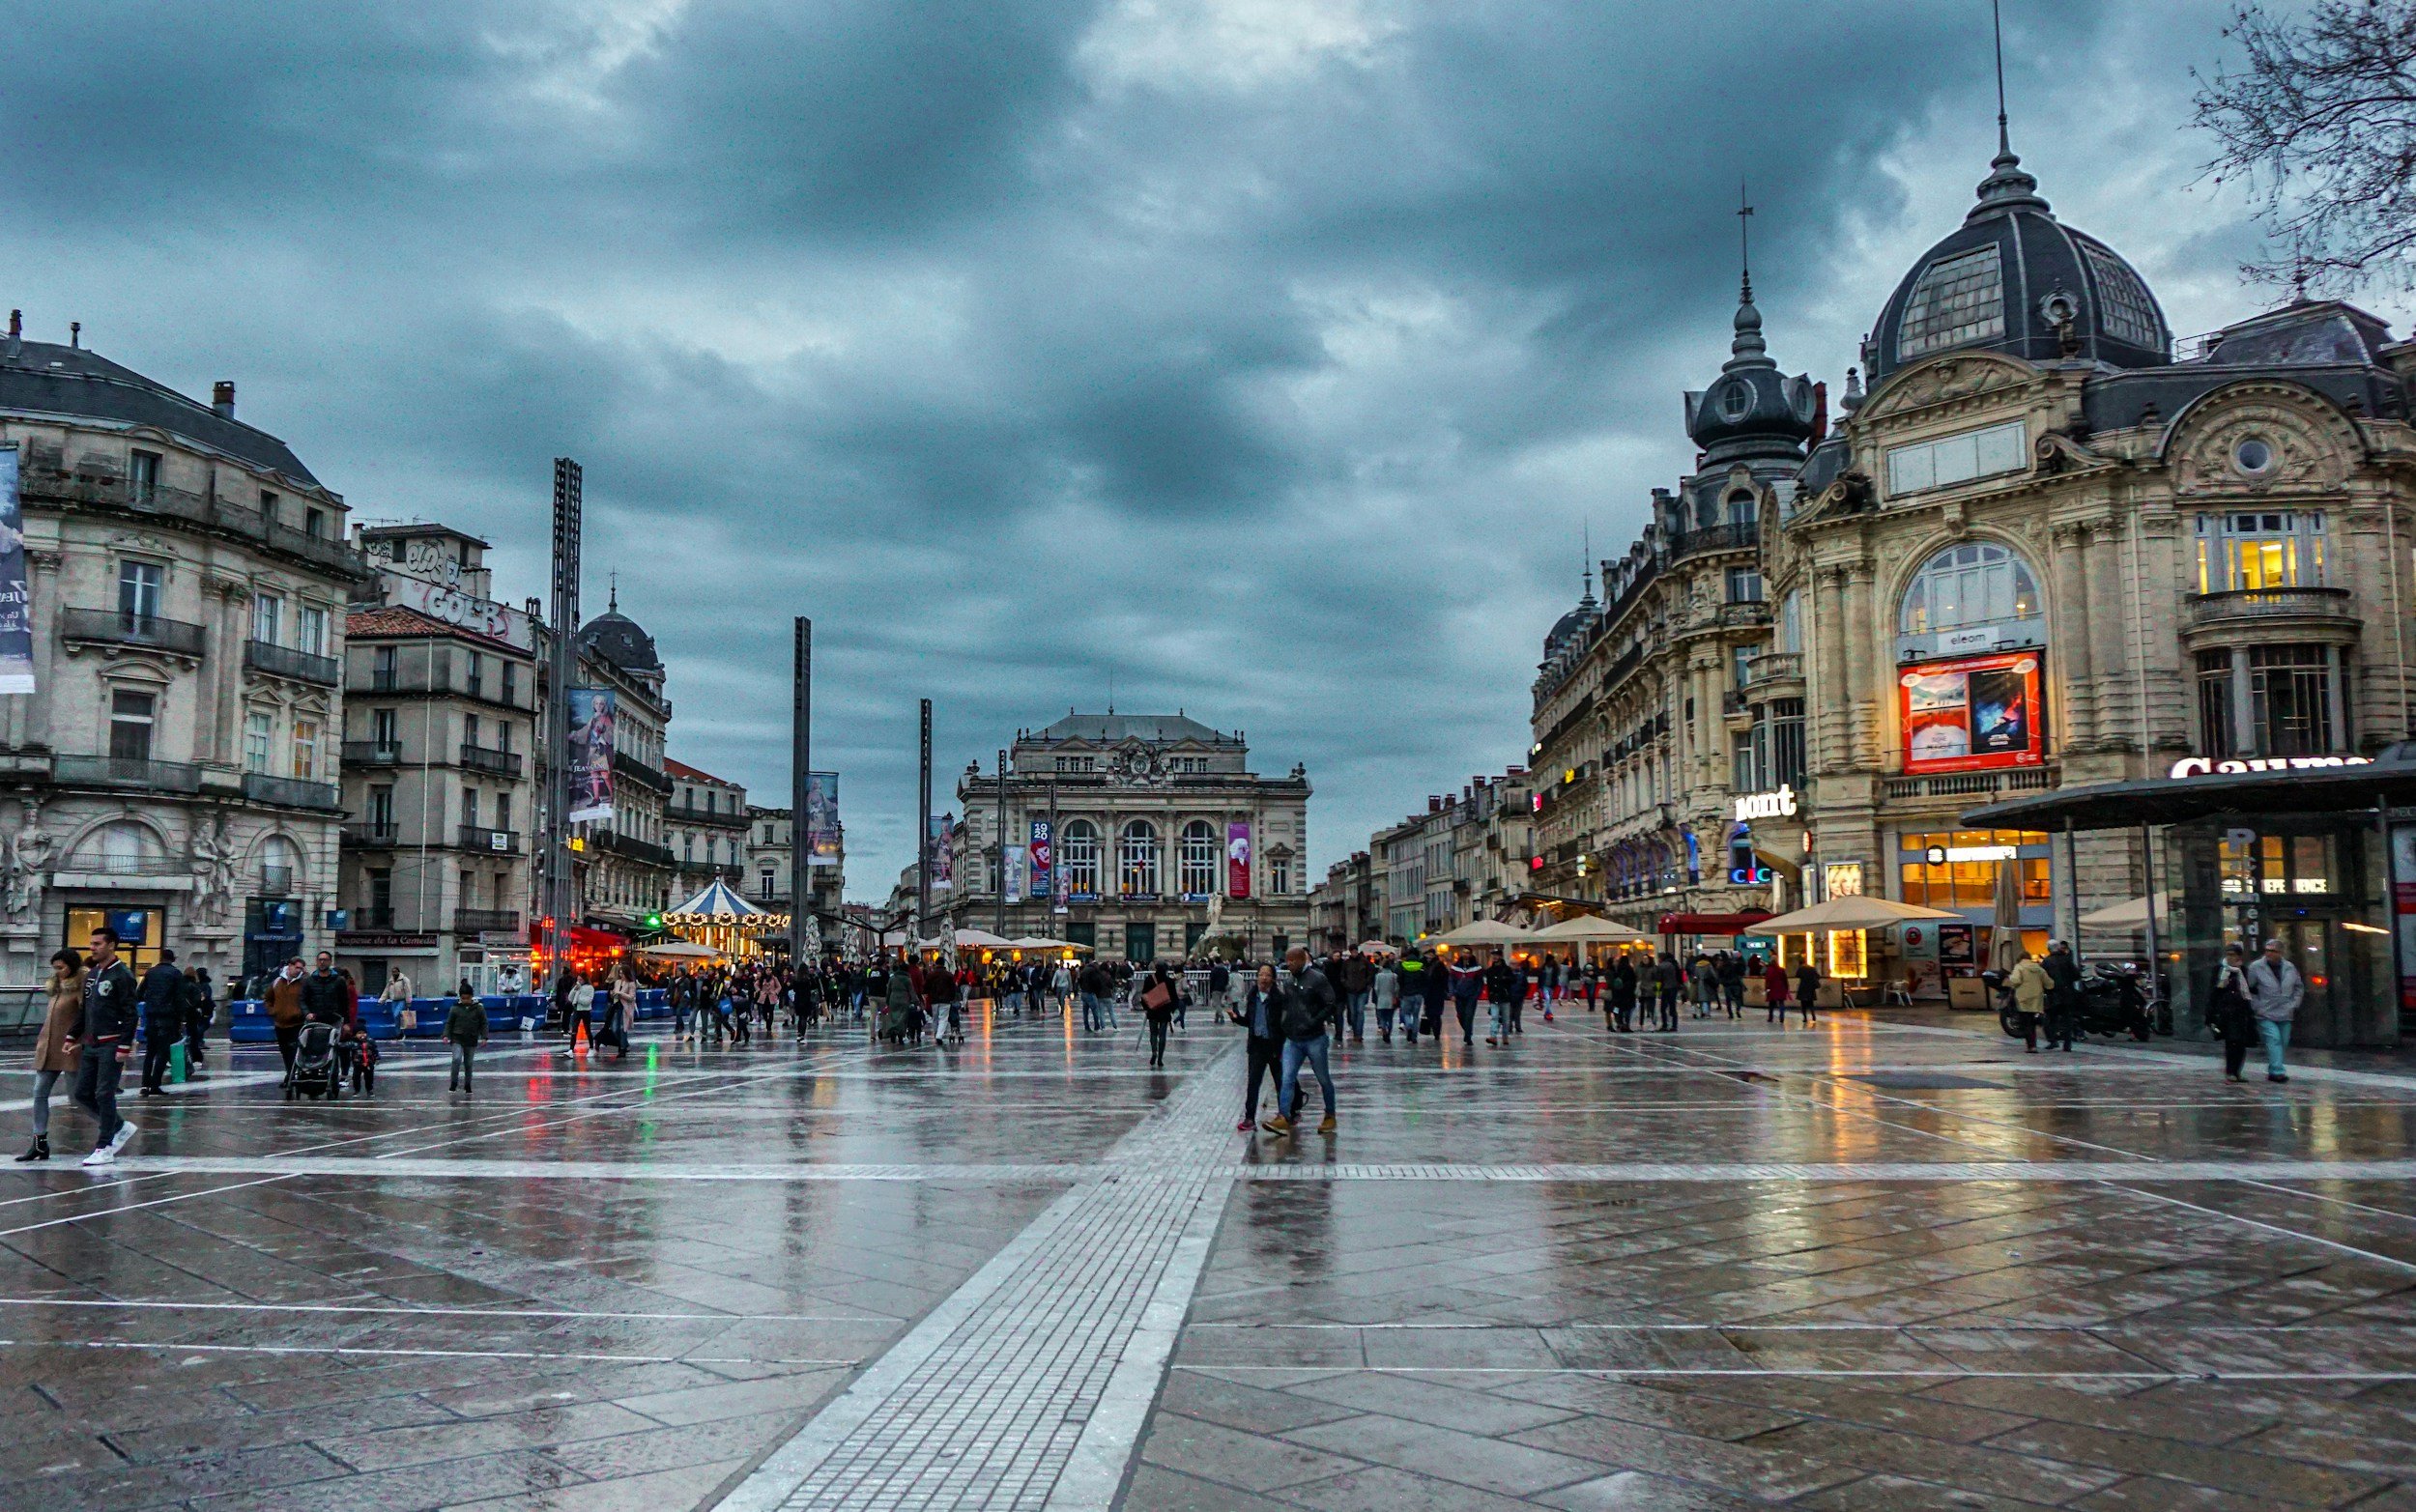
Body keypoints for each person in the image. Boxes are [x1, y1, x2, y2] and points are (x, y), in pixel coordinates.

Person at [69, 926, 139, 1166]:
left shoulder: (123, 975)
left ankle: (104, 1146)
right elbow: (85, 1008)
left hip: (111, 1042)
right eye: (92, 943)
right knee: (81, 1093)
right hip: (91, 1042)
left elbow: (131, 1013)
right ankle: (119, 1125)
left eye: (98, 943)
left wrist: (124, 1044)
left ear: (111, 945)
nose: (93, 947)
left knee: (104, 1093)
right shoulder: (91, 975)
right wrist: (72, 1035)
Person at [16, 949, 84, 1162]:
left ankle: (113, 1130)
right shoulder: (55, 987)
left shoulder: (80, 986)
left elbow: (87, 1016)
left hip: (70, 1047)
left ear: (72, 966)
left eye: (61, 967)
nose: (57, 972)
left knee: (79, 1098)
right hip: (48, 1047)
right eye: (55, 967)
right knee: (39, 1092)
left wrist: (78, 1041)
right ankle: (39, 1143)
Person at [1264, 947, 1339, 1135]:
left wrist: (1314, 1021)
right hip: (1294, 1038)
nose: (1289, 965)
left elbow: (1331, 1003)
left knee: (1323, 1078)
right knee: (1287, 1077)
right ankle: (1283, 1116)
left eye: (1293, 961)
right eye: (1287, 961)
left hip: (1315, 1038)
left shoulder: (1317, 979)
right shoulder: (1289, 982)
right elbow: (1287, 1007)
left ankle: (1330, 1114)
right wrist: (1284, 1026)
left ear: (1302, 960)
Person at [2245, 937, 2303, 1083]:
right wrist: (2256, 1006)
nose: (2268, 954)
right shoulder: (2256, 967)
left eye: (2272, 951)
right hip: (2265, 1012)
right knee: (2273, 1039)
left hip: (2286, 1011)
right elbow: (2249, 988)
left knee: (2283, 1041)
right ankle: (2278, 1071)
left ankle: (2273, 1068)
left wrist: (2294, 1003)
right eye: (2267, 951)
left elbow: (2298, 987)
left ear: (2280, 952)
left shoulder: (2289, 967)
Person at [1233, 963, 1281, 1130]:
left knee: (1281, 1082)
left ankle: (1286, 1114)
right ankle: (1249, 1118)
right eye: (1261, 974)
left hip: (1274, 1045)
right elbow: (1249, 1021)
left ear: (1273, 979)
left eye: (1267, 975)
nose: (1263, 978)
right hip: (1257, 1045)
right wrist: (1236, 1018)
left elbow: (1282, 1024)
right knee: (1253, 1082)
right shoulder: (1253, 995)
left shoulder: (1278, 998)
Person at [136, 949, 186, 1097]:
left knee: (150, 1052)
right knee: (162, 1053)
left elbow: (139, 993)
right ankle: (155, 1084)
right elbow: (179, 997)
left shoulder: (150, 972)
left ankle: (144, 1085)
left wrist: (150, 1002)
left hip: (151, 1015)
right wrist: (181, 1019)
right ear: (173, 959)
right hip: (167, 1017)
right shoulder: (176, 974)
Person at [2208, 944, 2257, 1081]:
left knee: (2241, 1043)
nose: (2230, 957)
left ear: (2239, 956)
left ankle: (2236, 1072)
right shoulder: (2220, 970)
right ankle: (2230, 1072)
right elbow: (2213, 991)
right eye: (2228, 954)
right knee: (2231, 1042)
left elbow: (2249, 990)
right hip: (2225, 1013)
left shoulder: (2243, 971)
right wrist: (2211, 1012)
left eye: (2233, 954)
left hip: (2241, 1012)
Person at [2004, 951, 2052, 1054]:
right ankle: (2034, 1044)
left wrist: (2010, 978)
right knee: (2032, 1022)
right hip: (2036, 998)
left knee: (2026, 1023)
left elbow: (2016, 980)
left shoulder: (2019, 967)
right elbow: (2049, 983)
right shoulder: (2038, 968)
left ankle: (2031, 1046)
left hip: (2023, 998)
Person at [267, 956, 306, 1082]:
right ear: (290, 966)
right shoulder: (278, 981)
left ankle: (291, 1075)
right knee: (284, 1051)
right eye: (297, 967)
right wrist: (272, 1011)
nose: (299, 970)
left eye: (301, 968)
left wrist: (301, 1013)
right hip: (280, 1023)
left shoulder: (303, 982)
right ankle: (290, 1073)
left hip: (297, 1023)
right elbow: (268, 998)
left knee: (294, 1050)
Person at [2040, 940, 2081, 1052]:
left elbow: (2042, 978)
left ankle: (2053, 1040)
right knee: (2067, 1019)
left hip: (2053, 994)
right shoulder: (2066, 960)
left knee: (2049, 1019)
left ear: (2049, 949)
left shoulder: (2046, 962)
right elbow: (2076, 975)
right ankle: (2067, 1044)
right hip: (2067, 994)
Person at [446, 980, 487, 1094]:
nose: (465, 1001)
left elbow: (484, 1023)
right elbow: (449, 1023)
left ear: (471, 997)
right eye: (463, 998)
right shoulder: (455, 1008)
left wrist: (484, 1037)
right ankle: (453, 1084)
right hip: (457, 1038)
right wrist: (446, 1035)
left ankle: (467, 1085)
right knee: (456, 1059)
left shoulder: (479, 1008)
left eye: (467, 998)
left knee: (468, 1063)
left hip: (471, 1038)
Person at [1140, 961, 1179, 1068]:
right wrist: (1172, 1009)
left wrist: (1146, 1008)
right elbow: (1175, 998)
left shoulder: (1149, 979)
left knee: (1153, 1033)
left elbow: (1144, 995)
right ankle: (1160, 1058)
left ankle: (1154, 1052)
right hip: (1165, 1010)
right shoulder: (1170, 981)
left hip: (1153, 1010)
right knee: (1163, 1035)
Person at [184, 966, 215, 1080]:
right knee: (195, 1034)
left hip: (181, 1014)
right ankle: (196, 1057)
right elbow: (200, 1000)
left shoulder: (180, 985)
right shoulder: (196, 986)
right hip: (193, 1014)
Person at [1482, 951, 1519, 1046]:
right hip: (1494, 997)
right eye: (1493, 955)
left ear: (1500, 957)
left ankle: (1505, 1036)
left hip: (1505, 997)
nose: (1494, 957)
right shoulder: (1489, 970)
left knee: (1506, 1019)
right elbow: (1489, 984)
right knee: (1494, 1017)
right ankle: (1493, 1036)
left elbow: (1514, 980)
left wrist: (1505, 979)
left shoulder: (1506, 969)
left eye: (1496, 955)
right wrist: (1489, 995)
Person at [1372, 955, 1403, 1042]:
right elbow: (1397, 988)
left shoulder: (1378, 976)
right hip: (1391, 999)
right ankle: (1388, 1032)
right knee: (1390, 1018)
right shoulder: (1394, 976)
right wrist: (1395, 995)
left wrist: (1379, 995)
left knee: (1382, 1017)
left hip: (1381, 999)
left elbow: (1376, 988)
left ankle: (1383, 1028)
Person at [1653, 952, 1684, 1032]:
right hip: (1674, 987)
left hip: (1666, 988)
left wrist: (1657, 989)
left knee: (1663, 1008)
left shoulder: (1662, 966)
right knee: (1672, 1007)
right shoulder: (1674, 964)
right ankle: (1674, 1025)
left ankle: (1665, 1025)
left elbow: (1658, 978)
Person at [1608, 954, 1637, 1033]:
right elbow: (1634, 981)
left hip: (1618, 994)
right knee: (1628, 1009)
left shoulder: (1617, 969)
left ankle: (1619, 1022)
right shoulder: (1630, 969)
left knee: (1618, 1009)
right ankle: (1626, 1024)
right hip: (1628, 994)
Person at [1793, 956, 1821, 1027]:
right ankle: (1813, 1015)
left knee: (1803, 1004)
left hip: (1803, 988)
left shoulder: (1800, 969)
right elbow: (1818, 976)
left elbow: (1797, 975)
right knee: (1811, 1003)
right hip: (1811, 988)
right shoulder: (1812, 968)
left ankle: (1805, 1017)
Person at [1763, 956, 1790, 1024]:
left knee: (1771, 1004)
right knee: (1781, 1003)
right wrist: (1786, 988)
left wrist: (1766, 989)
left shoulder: (1769, 970)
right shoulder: (1781, 969)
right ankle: (1782, 1017)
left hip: (1772, 988)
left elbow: (1768, 980)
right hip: (1781, 988)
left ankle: (1770, 1017)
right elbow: (1785, 980)